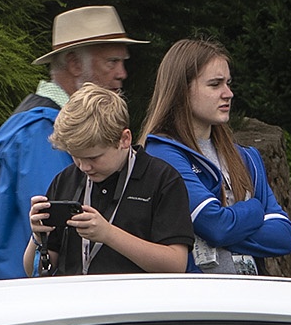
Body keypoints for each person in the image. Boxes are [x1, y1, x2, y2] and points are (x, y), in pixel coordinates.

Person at [0, 6, 142, 279]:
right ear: (75, 64)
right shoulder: (42, 132)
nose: (122, 73)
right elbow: (57, 228)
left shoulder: (39, 124)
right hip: (40, 295)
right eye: (112, 62)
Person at [137, 39, 291, 274]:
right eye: (215, 84)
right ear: (182, 90)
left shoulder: (247, 157)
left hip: (251, 293)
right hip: (198, 294)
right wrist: (255, 209)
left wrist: (216, 233)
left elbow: (282, 236)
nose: (228, 94)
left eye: (228, 83)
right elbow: (216, 226)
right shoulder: (162, 154)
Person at [27, 83, 193, 276]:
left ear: (125, 139)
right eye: (75, 157)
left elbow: (175, 264)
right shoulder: (65, 180)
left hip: (138, 295)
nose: (84, 167)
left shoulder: (162, 179)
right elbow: (33, 271)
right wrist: (37, 237)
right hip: (75, 294)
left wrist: (108, 234)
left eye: (93, 158)